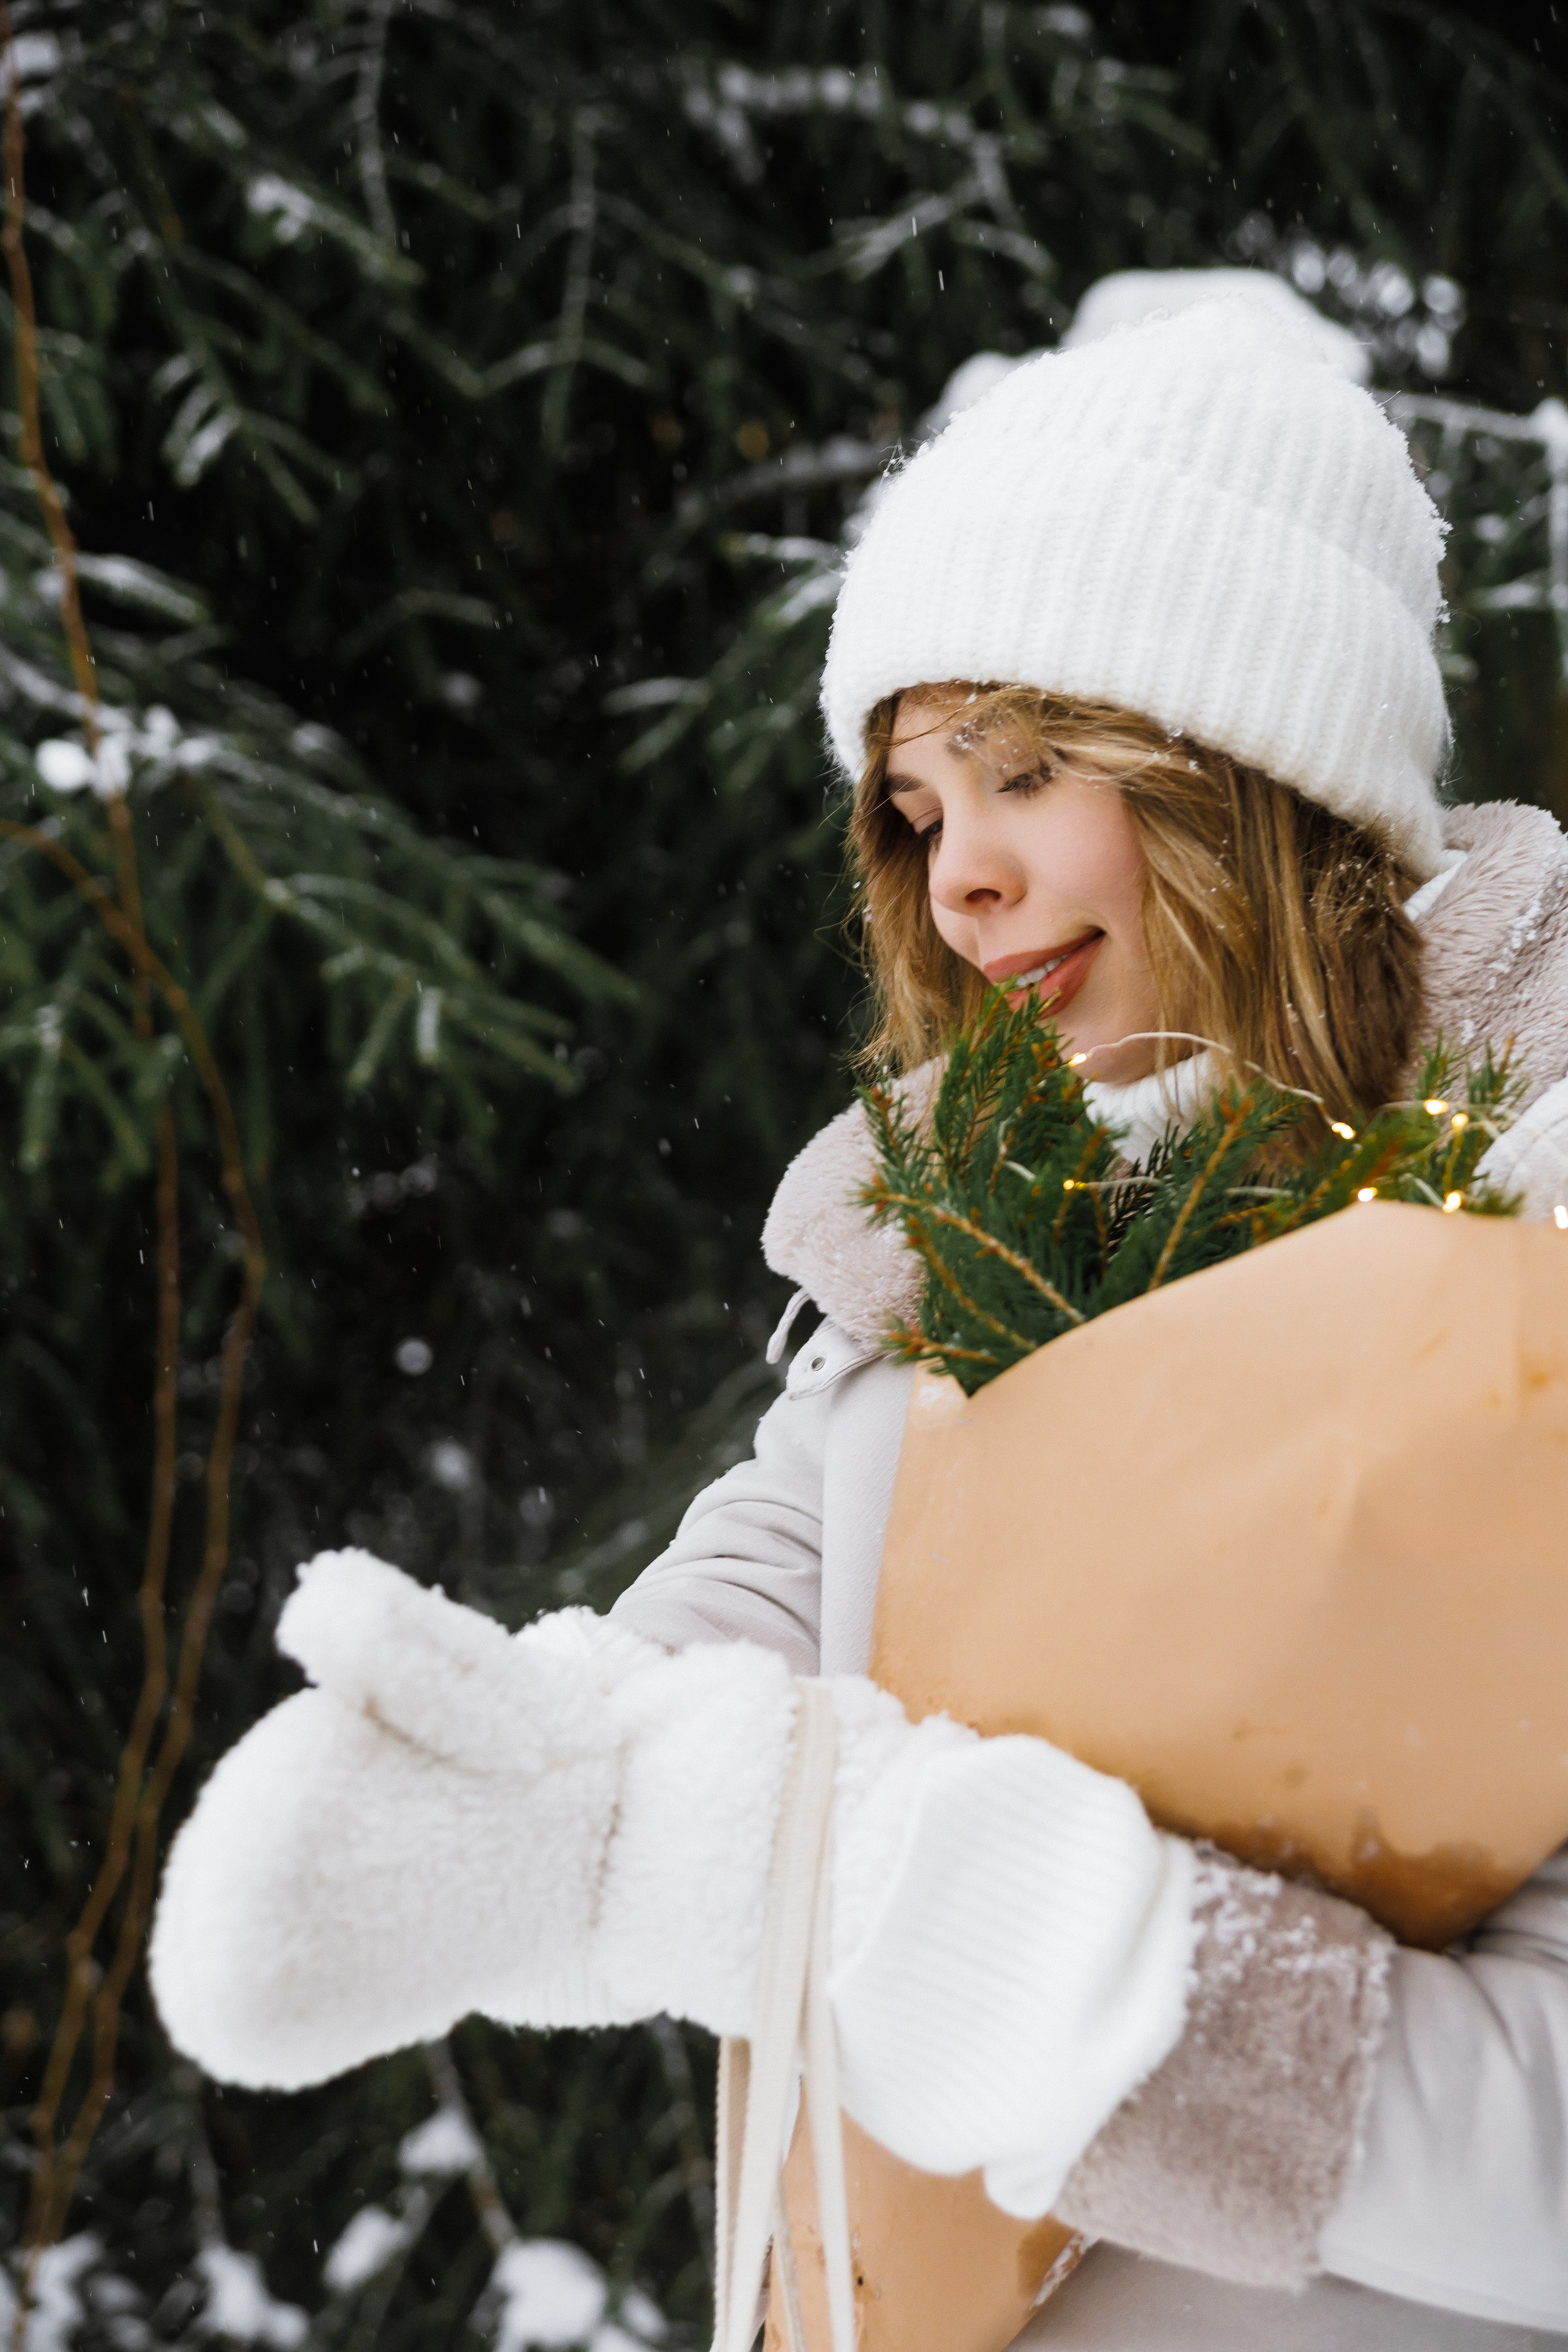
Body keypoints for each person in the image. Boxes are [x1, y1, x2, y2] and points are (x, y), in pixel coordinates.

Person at [152, 302, 1568, 2349]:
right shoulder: (937, 1280)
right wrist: (532, 1782)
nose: (963, 876)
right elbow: (735, 1631)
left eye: (1029, 768)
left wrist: (945, 1925)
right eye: (917, 805)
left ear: (1248, 767)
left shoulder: (1519, 1256)